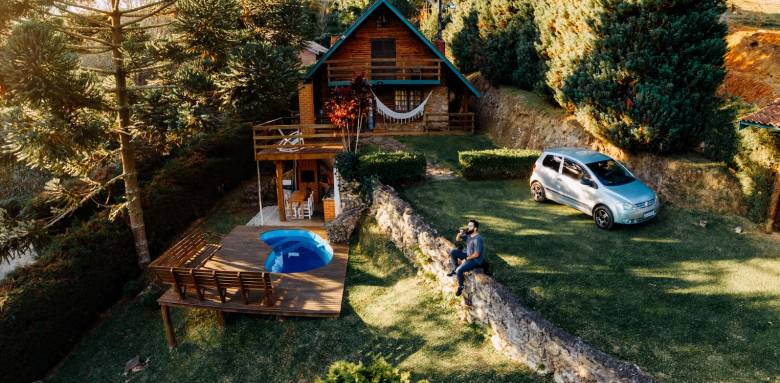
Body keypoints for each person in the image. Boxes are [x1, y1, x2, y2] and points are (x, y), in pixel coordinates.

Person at [447, 219, 484, 296]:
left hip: (475, 260)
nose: (468, 227)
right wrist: (459, 233)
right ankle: (455, 269)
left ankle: (461, 286)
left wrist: (465, 259)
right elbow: (458, 239)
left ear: (475, 228)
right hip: (468, 254)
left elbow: (476, 254)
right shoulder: (469, 235)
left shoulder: (478, 239)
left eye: (470, 226)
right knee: (453, 252)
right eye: (468, 225)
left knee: (459, 270)